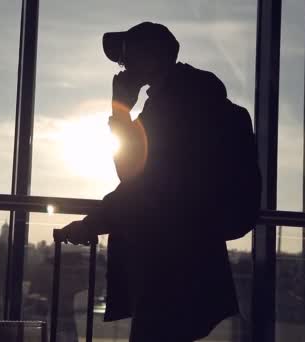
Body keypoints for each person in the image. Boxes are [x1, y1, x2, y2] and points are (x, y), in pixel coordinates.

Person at [57, 22, 260, 341]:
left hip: (171, 264)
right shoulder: (187, 100)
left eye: (128, 58)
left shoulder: (176, 108)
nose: (123, 68)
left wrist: (120, 109)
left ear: (152, 58)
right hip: (188, 260)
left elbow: (136, 179)